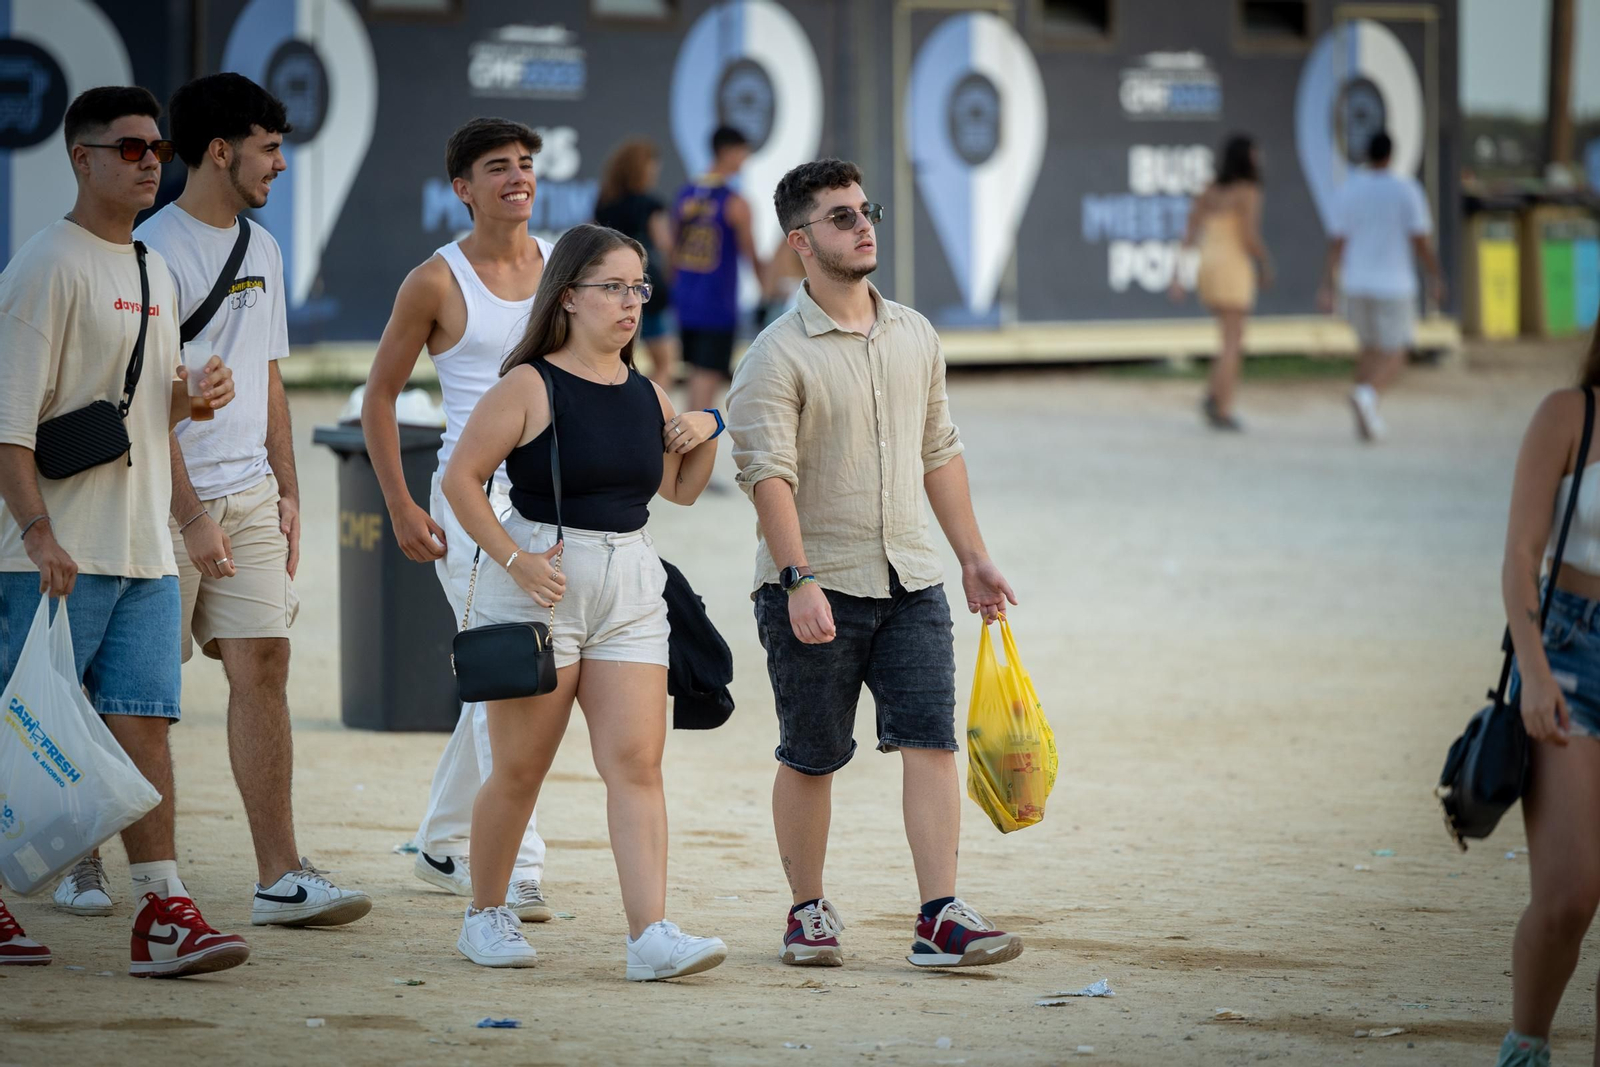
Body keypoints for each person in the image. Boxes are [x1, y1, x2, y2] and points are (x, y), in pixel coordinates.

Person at [59, 72, 368, 930]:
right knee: (121, 693)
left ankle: (279, 874)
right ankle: (84, 851)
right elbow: (143, 405)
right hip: (154, 504)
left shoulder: (261, 248)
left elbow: (268, 375)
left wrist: (288, 488)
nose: (280, 165)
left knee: (263, 668)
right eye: (269, 148)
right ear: (223, 150)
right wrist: (190, 514)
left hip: (249, 499)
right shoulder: (149, 252)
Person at [727, 159, 1023, 971]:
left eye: (867, 211)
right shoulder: (773, 356)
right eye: (841, 216)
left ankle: (939, 917)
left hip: (913, 581)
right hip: (814, 586)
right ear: (801, 243)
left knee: (931, 740)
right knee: (812, 754)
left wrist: (972, 557)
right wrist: (797, 578)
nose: (864, 226)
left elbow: (940, 451)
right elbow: (766, 475)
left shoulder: (915, 334)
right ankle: (807, 910)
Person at [441, 223, 727, 979]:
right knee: (520, 768)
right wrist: (516, 559)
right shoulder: (529, 384)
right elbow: (461, 479)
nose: (631, 302)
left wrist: (709, 429)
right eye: (614, 287)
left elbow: (680, 491)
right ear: (568, 297)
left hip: (632, 581)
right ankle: (485, 913)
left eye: (639, 288)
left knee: (637, 764)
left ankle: (650, 934)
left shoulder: (645, 391)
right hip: (542, 576)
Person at [0, 86, 241, 977]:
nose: (151, 161)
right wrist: (35, 532)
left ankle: (162, 909)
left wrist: (190, 513)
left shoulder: (151, 268)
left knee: (144, 729)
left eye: (158, 148)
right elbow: (7, 425)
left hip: (145, 550)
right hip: (52, 556)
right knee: (17, 730)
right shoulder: (43, 266)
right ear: (82, 158)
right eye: (131, 147)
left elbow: (149, 418)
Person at [361, 118, 556, 923]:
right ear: (462, 188)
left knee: (509, 674)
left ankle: (444, 842)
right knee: (512, 670)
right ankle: (519, 866)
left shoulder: (560, 265)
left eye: (525, 165)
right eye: (497, 167)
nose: (517, 177)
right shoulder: (434, 282)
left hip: (551, 495)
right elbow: (378, 397)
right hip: (470, 498)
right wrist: (402, 502)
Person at [1494, 322, 1600, 1067]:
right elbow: (1521, 555)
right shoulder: (1570, 414)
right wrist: (1531, 667)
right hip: (1569, 653)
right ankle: (1526, 1048)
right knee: (1568, 894)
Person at [1316, 130, 1444, 442]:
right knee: (1397, 351)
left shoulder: (1349, 190)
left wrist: (1327, 283)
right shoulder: (1406, 190)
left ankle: (1366, 419)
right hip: (1394, 283)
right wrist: (1435, 275)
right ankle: (1368, 396)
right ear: (1390, 155)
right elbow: (1420, 240)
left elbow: (1338, 242)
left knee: (1369, 349)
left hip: (1356, 281)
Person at [1170, 133, 1270, 432]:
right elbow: (1249, 237)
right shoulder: (1248, 191)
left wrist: (1177, 274)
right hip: (1233, 266)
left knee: (1226, 338)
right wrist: (1265, 262)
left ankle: (1215, 394)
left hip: (1208, 265)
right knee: (1233, 342)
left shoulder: (1209, 190)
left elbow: (1189, 233)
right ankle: (1223, 407)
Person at [672, 125, 769, 415]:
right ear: (727, 152)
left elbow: (672, 251)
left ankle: (688, 448)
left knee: (695, 380)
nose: (744, 161)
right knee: (705, 388)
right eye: (741, 154)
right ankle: (691, 452)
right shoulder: (736, 203)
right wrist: (767, 294)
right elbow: (751, 255)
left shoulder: (685, 195)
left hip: (686, 302)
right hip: (716, 305)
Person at [595, 139, 677, 392]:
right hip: (646, 288)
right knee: (665, 363)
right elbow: (666, 245)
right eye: (652, 167)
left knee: (615, 358)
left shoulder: (604, 202)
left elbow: (592, 243)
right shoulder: (650, 204)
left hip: (613, 288)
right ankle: (653, 409)